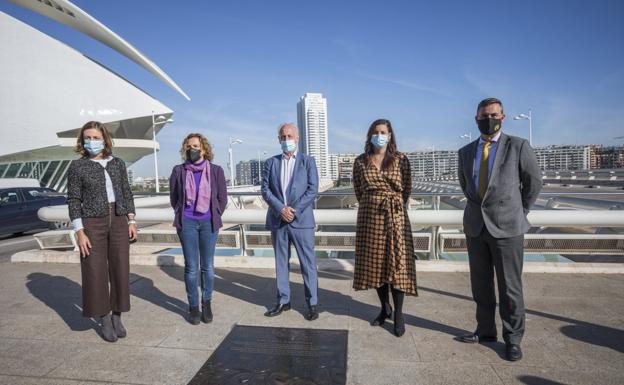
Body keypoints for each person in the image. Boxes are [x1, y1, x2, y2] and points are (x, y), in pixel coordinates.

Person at [456, 98, 542, 361]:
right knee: (480, 286)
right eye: (484, 115)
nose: (488, 119)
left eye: (493, 115)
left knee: (510, 288)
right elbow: (466, 186)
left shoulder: (518, 146)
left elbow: (533, 183)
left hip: (507, 227)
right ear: (476, 119)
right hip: (476, 226)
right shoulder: (466, 151)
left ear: (502, 118)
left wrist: (519, 211)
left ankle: (513, 338)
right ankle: (485, 331)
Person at [67, 121, 137, 342]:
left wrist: (131, 220)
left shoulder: (117, 163)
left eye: (96, 138)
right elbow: (73, 200)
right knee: (94, 270)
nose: (91, 142)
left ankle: (117, 316)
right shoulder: (77, 167)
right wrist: (80, 231)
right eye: (87, 138)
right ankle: (104, 317)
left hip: (118, 219)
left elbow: (126, 192)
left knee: (120, 268)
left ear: (105, 139)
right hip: (92, 222)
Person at [352, 118, 417, 337]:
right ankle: (384, 308)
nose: (379, 135)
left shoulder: (401, 160)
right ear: (370, 135)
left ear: (390, 135)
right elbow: (359, 190)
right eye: (376, 131)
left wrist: (392, 202)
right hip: (370, 217)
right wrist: (373, 203)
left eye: (383, 132)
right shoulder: (361, 161)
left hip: (396, 216)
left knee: (398, 265)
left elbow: (406, 189)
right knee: (376, 265)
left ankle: (398, 313)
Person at [261, 123, 319, 321]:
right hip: (279, 221)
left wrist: (293, 210)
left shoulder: (308, 162)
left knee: (308, 264)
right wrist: (281, 209)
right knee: (281, 263)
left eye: (290, 136)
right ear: (279, 139)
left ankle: (312, 303)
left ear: (297, 138)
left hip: (301, 220)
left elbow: (312, 189)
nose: (286, 140)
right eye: (283, 137)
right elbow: (265, 191)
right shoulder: (271, 163)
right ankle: (283, 300)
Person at [169, 133, 227, 325]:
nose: (191, 149)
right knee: (191, 267)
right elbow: (174, 198)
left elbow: (222, 198)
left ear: (203, 149)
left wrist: (215, 212)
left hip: (209, 223)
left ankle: (207, 303)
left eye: (195, 146)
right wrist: (183, 212)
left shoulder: (216, 171)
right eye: (188, 146)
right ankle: (193, 306)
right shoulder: (179, 171)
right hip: (187, 223)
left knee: (208, 267)